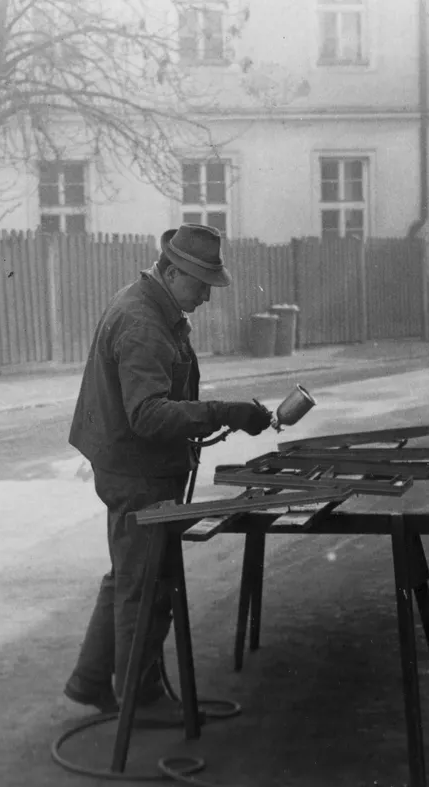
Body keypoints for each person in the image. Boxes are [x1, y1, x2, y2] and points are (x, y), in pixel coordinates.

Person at [64, 223, 273, 720]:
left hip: (130, 464)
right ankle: (142, 698)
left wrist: (217, 416)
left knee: (129, 574)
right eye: (200, 284)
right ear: (172, 270)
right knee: (146, 583)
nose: (205, 295)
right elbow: (148, 414)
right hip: (135, 471)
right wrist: (225, 413)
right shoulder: (143, 322)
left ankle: (90, 681)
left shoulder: (152, 304)